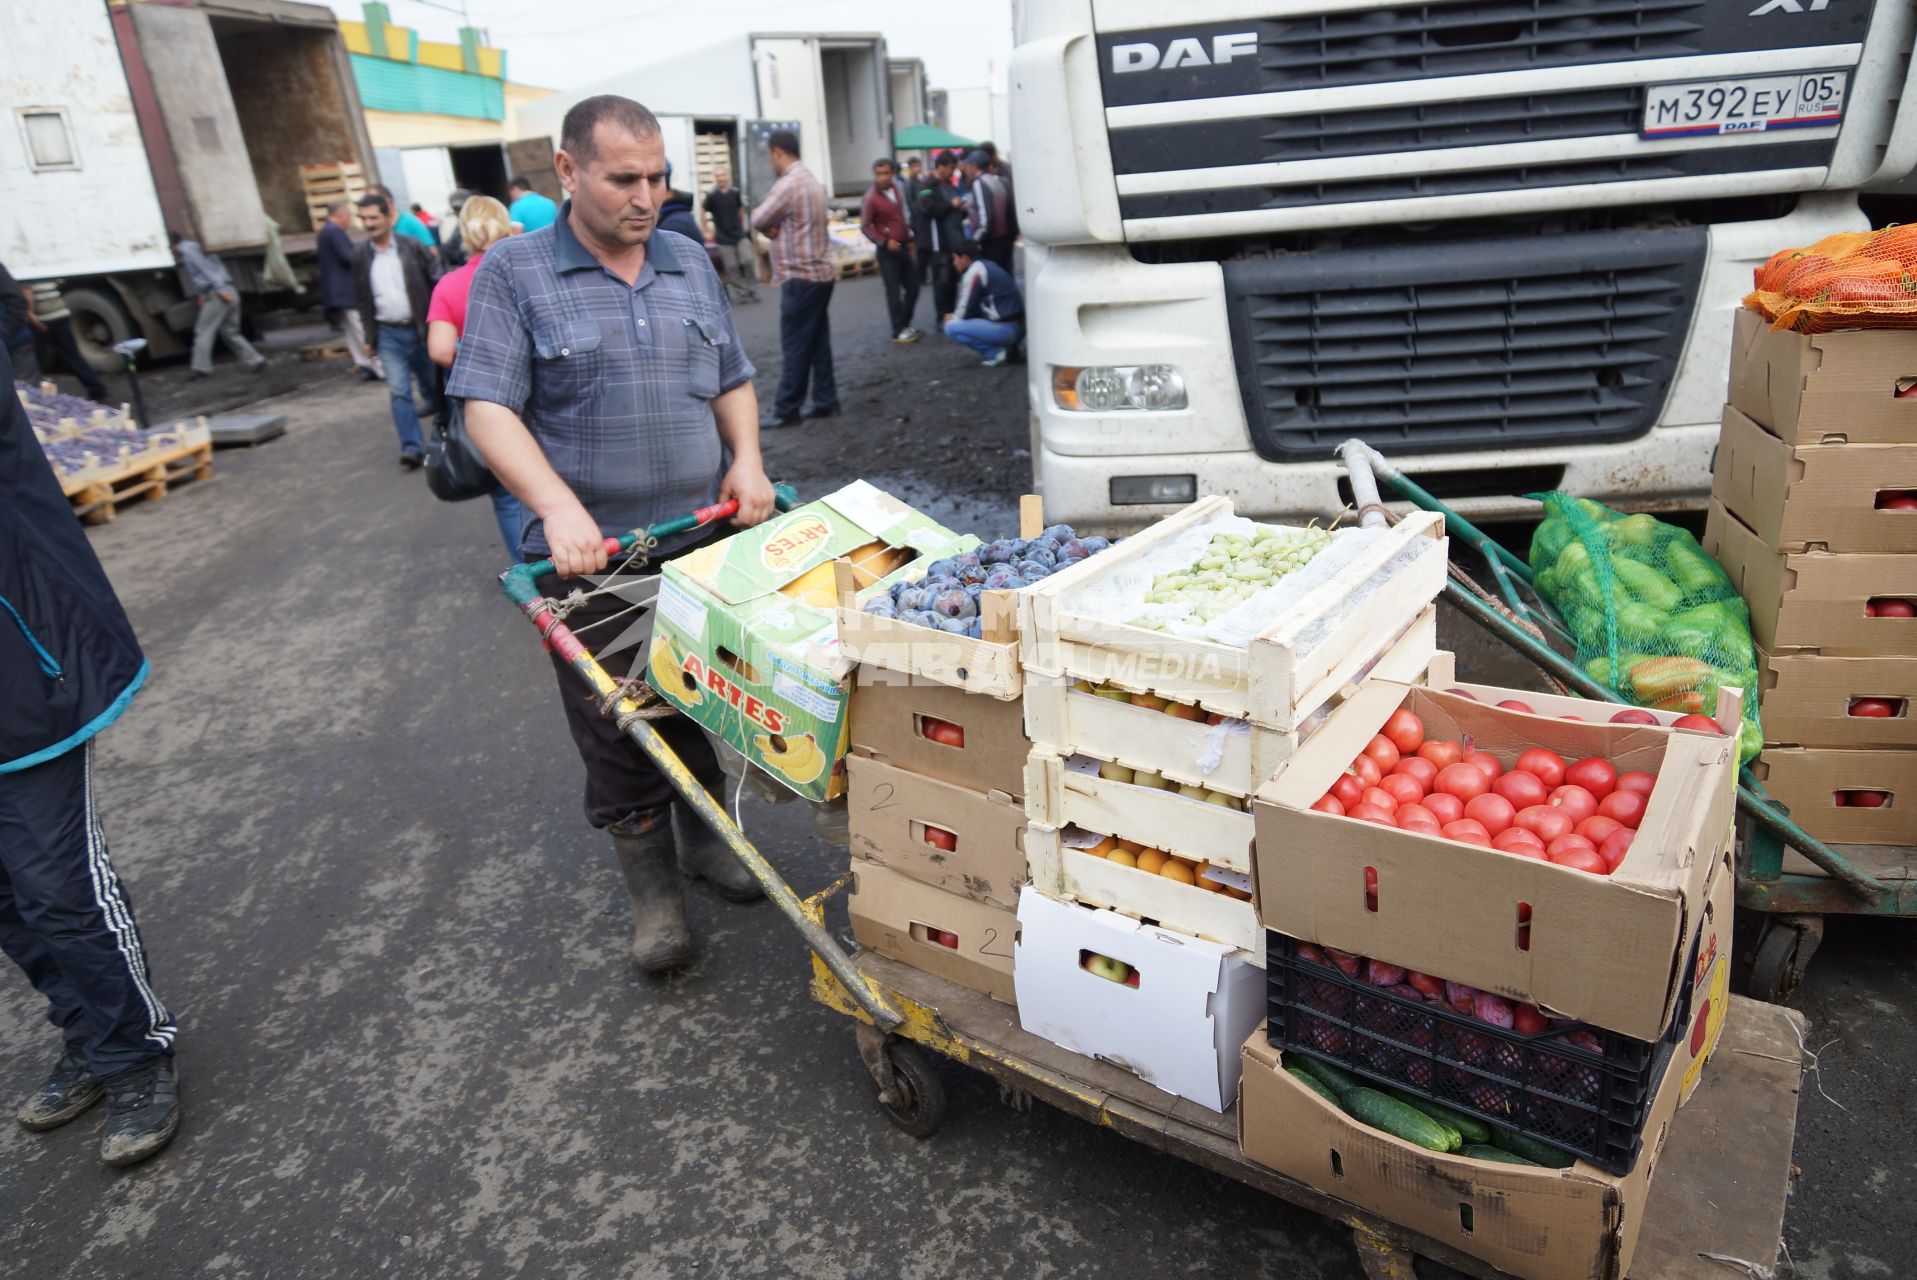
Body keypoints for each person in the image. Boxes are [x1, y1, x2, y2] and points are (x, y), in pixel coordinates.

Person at [451, 94, 776, 973]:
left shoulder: (684, 259)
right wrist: (555, 505)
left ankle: (706, 844)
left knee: (698, 697)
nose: (647, 196)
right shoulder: (513, 273)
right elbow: (486, 406)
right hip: (586, 558)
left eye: (659, 176)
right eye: (623, 178)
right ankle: (655, 892)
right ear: (567, 171)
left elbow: (731, 376)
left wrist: (745, 459)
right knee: (619, 719)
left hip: (700, 537)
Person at [1, 390, 181, 1168]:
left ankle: (135, 1054)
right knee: (7, 898)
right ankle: (88, 1035)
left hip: (21, 675)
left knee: (57, 886)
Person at [425, 196, 524, 558]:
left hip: (488, 406)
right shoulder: (526, 275)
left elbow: (439, 350)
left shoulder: (450, 286)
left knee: (509, 494)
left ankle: (531, 579)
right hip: (543, 400)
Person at [751, 129, 838, 429]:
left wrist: (772, 230)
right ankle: (826, 400)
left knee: (796, 343)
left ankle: (787, 408)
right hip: (821, 272)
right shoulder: (811, 180)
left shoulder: (788, 184)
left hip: (800, 275)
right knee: (817, 341)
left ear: (777, 151)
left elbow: (758, 218)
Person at [352, 192, 442, 468]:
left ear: (388, 217)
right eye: (364, 219)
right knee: (399, 390)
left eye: (374, 217)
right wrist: (368, 338)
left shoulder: (412, 247)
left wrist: (440, 325)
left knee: (435, 388)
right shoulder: (360, 255)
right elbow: (363, 299)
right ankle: (412, 447)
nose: (369, 224)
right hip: (388, 333)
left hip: (420, 331)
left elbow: (438, 284)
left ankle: (448, 441)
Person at [170, 231, 267, 381]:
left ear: (172, 245)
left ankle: (200, 368)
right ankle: (256, 360)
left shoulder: (187, 250)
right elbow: (214, 266)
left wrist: (219, 290)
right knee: (230, 331)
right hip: (229, 289)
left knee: (203, 331)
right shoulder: (198, 246)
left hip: (217, 294)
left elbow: (205, 269)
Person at [317, 200, 381, 382]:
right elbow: (348, 256)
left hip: (335, 292)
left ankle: (364, 364)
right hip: (345, 290)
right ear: (341, 214)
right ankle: (380, 368)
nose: (349, 220)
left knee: (351, 331)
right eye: (348, 215)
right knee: (361, 329)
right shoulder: (334, 231)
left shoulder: (325, 231)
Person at [861, 158, 922, 345]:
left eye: (886, 173)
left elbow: (903, 216)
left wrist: (910, 239)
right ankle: (897, 330)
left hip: (903, 246)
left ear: (892, 174)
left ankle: (904, 323)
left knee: (913, 287)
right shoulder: (870, 197)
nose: (882, 178)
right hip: (887, 251)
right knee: (893, 292)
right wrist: (884, 242)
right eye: (878, 174)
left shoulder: (897, 188)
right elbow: (865, 226)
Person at [943, 239, 1023, 367]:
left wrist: (953, 317)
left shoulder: (975, 272)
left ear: (964, 258)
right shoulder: (987, 265)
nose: (954, 263)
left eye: (955, 258)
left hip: (1007, 330)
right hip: (1017, 326)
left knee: (951, 327)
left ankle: (994, 353)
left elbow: (965, 309)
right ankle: (1008, 349)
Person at [911, 152, 968, 321]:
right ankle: (942, 317)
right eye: (951, 168)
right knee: (941, 282)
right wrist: (951, 204)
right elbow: (928, 208)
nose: (953, 172)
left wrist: (961, 210)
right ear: (940, 166)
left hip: (953, 241)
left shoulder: (949, 184)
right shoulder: (927, 185)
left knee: (952, 280)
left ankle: (951, 314)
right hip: (937, 243)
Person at [702, 168, 758, 303]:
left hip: (738, 234)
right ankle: (741, 291)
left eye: (723, 175)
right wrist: (706, 230)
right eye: (718, 176)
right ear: (715, 179)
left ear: (727, 176)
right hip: (723, 237)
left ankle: (752, 289)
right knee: (731, 267)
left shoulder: (735, 192)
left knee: (748, 260)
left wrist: (741, 225)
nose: (721, 178)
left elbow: (740, 210)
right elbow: (703, 211)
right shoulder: (712, 195)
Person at [961, 150, 1016, 272]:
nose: (967, 170)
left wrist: (974, 242)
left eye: (968, 166)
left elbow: (986, 219)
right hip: (1005, 240)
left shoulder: (979, 183)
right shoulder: (998, 180)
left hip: (991, 243)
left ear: (974, 166)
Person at [439, 189, 472, 270]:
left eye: (460, 208)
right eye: (456, 209)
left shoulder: (478, 222)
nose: (459, 212)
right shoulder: (451, 222)